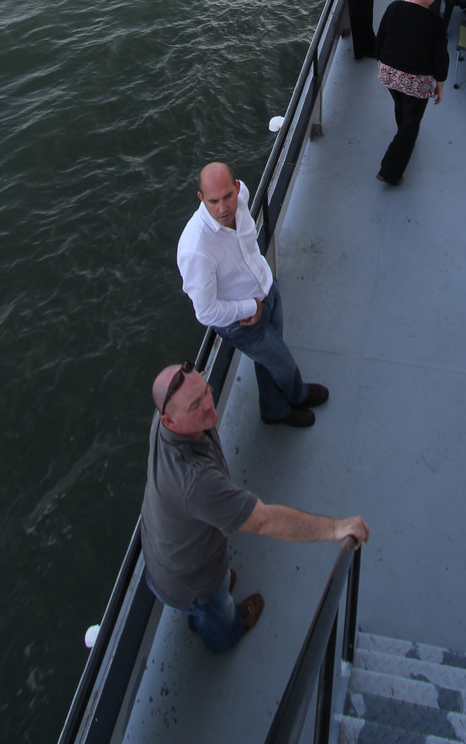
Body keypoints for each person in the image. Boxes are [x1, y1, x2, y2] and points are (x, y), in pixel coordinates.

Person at [141, 360, 369, 654]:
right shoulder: (195, 483)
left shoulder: (164, 419)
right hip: (192, 580)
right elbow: (263, 521)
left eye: (206, 390)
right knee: (217, 614)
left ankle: (202, 610)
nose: (209, 404)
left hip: (164, 553)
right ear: (170, 421)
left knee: (209, 600)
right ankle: (226, 630)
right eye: (195, 405)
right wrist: (335, 528)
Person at [177, 163, 330, 427]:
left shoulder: (243, 197)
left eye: (228, 196)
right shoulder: (196, 249)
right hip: (243, 322)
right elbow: (206, 312)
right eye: (213, 201)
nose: (223, 208)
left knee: (270, 360)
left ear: (237, 188)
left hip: (267, 288)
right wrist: (251, 307)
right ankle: (298, 395)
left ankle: (273, 410)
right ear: (201, 198)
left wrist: (264, 295)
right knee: (282, 362)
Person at [374, 0, 449, 186]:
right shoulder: (436, 23)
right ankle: (390, 172)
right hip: (415, 82)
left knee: (400, 103)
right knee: (411, 125)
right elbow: (440, 59)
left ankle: (402, 130)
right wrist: (440, 86)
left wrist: (384, 63)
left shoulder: (394, 7)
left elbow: (380, 40)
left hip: (388, 74)